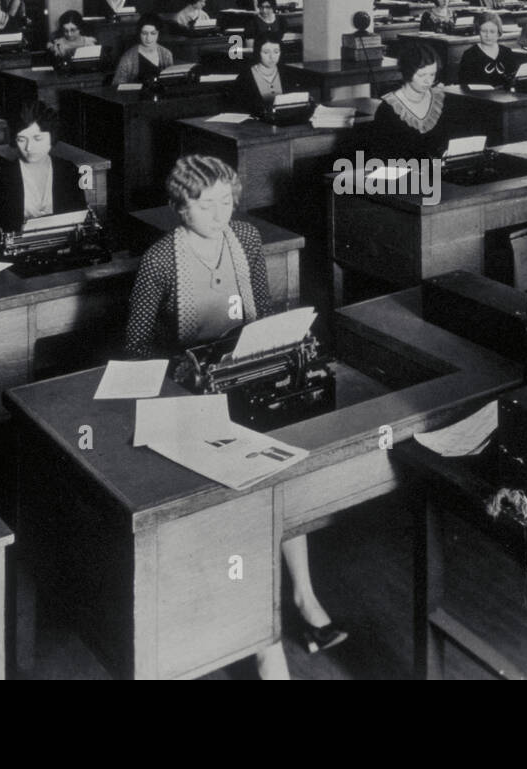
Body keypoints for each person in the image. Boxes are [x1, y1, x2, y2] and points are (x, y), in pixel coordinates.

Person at [125, 156, 347, 675]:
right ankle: (266, 644)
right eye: (207, 205)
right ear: (181, 207)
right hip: (193, 396)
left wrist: (282, 340)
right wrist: (182, 369)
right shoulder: (160, 259)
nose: (220, 214)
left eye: (227, 201)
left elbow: (262, 312)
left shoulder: (245, 239)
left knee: (285, 484)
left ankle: (304, 596)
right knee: (245, 510)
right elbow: (135, 346)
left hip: (249, 383)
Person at [0, 101, 87, 233]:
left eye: (37, 138)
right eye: (21, 139)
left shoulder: (69, 170)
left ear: (52, 137)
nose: (29, 147)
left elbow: (79, 218)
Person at [370, 40, 449, 161]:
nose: (428, 81)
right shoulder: (389, 109)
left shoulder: (440, 100)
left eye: (432, 75)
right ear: (407, 72)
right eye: (422, 75)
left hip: (438, 173)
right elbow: (382, 156)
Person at [457, 13, 519, 89]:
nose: (488, 35)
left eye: (492, 32)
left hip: (505, 98)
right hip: (479, 98)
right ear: (478, 31)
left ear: (498, 33)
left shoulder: (507, 52)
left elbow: (513, 81)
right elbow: (464, 85)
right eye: (484, 31)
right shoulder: (470, 55)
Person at [112, 14, 177, 85]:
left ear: (159, 33)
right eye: (144, 33)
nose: (148, 38)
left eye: (153, 33)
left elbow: (170, 81)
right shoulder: (128, 58)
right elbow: (116, 85)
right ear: (139, 33)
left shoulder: (166, 54)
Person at [231, 40, 285, 115]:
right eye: (266, 52)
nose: (272, 57)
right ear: (257, 52)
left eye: (276, 52)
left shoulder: (287, 73)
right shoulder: (245, 77)